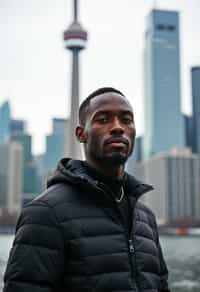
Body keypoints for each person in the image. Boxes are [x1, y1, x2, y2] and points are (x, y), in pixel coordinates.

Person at [3, 87, 170, 292]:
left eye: (126, 120)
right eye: (103, 119)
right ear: (81, 134)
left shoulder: (145, 217)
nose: (118, 127)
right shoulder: (46, 212)